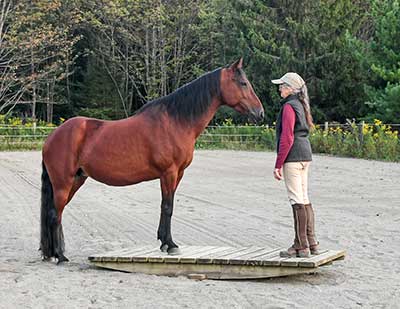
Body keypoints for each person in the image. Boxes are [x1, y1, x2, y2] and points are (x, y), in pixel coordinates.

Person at [271, 72, 319, 258]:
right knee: (304, 198)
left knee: (296, 200)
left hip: (293, 156)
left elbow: (287, 137)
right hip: (305, 154)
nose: (279, 89)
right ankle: (311, 242)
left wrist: (278, 163)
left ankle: (300, 245)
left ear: (290, 88)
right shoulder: (301, 105)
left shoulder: (289, 107)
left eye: (282, 86)